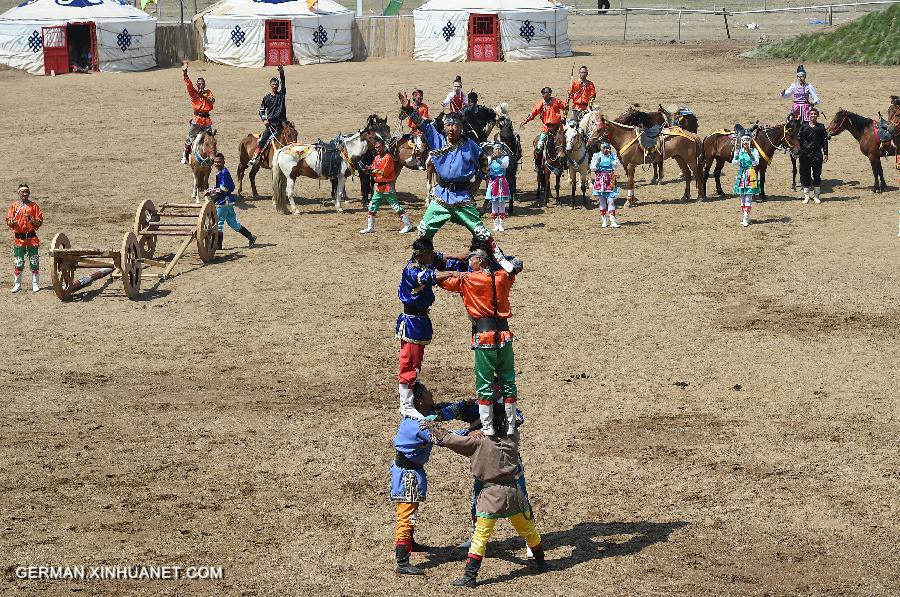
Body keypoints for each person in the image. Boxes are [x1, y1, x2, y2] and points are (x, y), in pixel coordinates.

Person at [422, 406, 546, 588]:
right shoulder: (512, 439)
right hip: (514, 494)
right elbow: (514, 419)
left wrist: (431, 426)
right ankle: (542, 563)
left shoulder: (477, 443)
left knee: (480, 537)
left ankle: (470, 577)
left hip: (490, 497)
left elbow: (448, 438)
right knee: (528, 530)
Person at [398, 91, 515, 273]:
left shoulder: (470, 145)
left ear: (461, 128)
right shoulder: (436, 139)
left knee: (481, 232)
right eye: (448, 125)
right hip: (440, 197)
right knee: (423, 231)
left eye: (455, 126)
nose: (451, 129)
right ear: (444, 127)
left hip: (462, 198)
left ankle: (500, 259)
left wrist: (478, 181)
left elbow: (483, 161)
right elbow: (422, 123)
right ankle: (419, 263)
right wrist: (408, 108)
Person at [391, 382, 479, 575]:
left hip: (409, 470)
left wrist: (464, 404)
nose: (433, 397)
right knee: (407, 514)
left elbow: (444, 412)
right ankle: (402, 560)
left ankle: (410, 543)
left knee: (411, 510)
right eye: (430, 394)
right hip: (408, 474)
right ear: (421, 401)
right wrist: (470, 434)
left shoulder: (420, 415)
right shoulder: (419, 424)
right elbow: (444, 437)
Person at [438, 248, 523, 435]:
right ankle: (510, 424)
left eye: (472, 259)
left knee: (484, 382)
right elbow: (517, 264)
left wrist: (449, 263)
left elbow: (441, 280)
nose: (469, 262)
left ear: (482, 261)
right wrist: (498, 256)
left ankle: (487, 427)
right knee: (508, 380)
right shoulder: (502, 277)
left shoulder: (468, 279)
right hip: (504, 336)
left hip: (484, 337)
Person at [395, 238, 467, 419]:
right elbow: (429, 277)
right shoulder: (412, 271)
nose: (433, 256)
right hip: (412, 321)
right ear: (420, 255)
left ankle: (411, 399)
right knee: (409, 362)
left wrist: (456, 255)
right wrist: (452, 273)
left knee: (416, 362)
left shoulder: (422, 259)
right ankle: (405, 404)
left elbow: (438, 256)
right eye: (429, 254)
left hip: (420, 319)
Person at [359, 138, 414, 234]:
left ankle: (408, 225)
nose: (377, 149)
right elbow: (374, 172)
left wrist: (371, 170)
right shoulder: (377, 158)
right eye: (376, 148)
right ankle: (370, 227)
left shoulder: (388, 158)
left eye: (379, 147)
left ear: (383, 147)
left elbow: (383, 173)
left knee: (396, 206)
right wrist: (368, 170)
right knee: (372, 207)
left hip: (387, 187)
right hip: (379, 188)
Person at [204, 153, 257, 249]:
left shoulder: (224, 172)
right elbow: (220, 187)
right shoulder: (222, 172)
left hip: (223, 203)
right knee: (233, 223)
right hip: (228, 202)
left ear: (223, 162)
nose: (216, 164)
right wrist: (212, 190)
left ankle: (218, 245)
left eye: (219, 162)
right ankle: (250, 236)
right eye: (215, 162)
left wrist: (211, 191)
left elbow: (224, 188)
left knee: (219, 223)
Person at [6, 184, 43, 293]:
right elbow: (8, 220)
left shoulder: (34, 206)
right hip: (19, 239)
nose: (25, 194)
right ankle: (17, 284)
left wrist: (33, 221)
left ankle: (35, 284)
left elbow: (39, 221)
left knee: (34, 261)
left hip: (31, 238)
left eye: (27, 191)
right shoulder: (14, 206)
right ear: (19, 193)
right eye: (22, 192)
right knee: (18, 262)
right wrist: (11, 222)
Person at [249, 66, 287, 166]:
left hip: (282, 124)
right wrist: (264, 119)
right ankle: (255, 157)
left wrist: (282, 73)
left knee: (291, 136)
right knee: (262, 140)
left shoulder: (281, 95)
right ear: (270, 85)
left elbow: (283, 83)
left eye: (276, 84)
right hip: (271, 125)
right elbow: (261, 110)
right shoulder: (266, 98)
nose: (275, 86)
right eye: (273, 84)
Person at [181, 61, 215, 165]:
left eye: (202, 84)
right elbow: (188, 83)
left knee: (210, 138)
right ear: (197, 85)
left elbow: (212, 101)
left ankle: (211, 156)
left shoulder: (208, 92)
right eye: (199, 84)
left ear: (204, 85)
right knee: (190, 137)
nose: (201, 85)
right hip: (197, 119)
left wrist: (204, 95)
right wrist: (185, 72)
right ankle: (184, 156)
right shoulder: (193, 93)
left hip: (207, 120)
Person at [796, 107, 829, 204]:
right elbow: (798, 140)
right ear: (808, 115)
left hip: (817, 154)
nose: (813, 115)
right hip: (805, 155)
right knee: (805, 175)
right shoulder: (803, 126)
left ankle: (816, 196)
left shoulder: (821, 127)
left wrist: (826, 153)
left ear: (817, 116)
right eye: (811, 114)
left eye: (815, 114)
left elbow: (825, 141)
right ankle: (806, 196)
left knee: (817, 175)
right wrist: (798, 151)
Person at [521, 87, 568, 153]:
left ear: (549, 94)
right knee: (539, 146)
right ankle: (538, 162)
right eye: (542, 93)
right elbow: (534, 112)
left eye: (544, 93)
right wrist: (526, 120)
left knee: (566, 142)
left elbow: (565, 107)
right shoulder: (541, 103)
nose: (542, 95)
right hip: (547, 128)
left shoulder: (556, 101)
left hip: (558, 128)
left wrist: (564, 116)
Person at [732, 135, 760, 227]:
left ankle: (745, 218)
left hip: (750, 173)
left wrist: (750, 154)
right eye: (744, 140)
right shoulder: (739, 151)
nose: (745, 142)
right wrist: (736, 154)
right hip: (741, 174)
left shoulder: (754, 151)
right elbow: (734, 163)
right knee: (742, 197)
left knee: (748, 196)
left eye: (747, 140)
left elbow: (756, 162)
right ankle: (745, 216)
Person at [591, 142, 621, 228]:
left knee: (611, 200)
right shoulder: (596, 155)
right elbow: (592, 168)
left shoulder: (612, 155)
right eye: (603, 148)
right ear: (600, 148)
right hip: (600, 178)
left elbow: (617, 166)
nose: (605, 149)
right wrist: (597, 162)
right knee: (602, 201)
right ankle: (604, 220)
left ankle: (613, 221)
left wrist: (613, 160)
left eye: (607, 148)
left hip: (610, 178)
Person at [485, 144, 510, 232]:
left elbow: (505, 165)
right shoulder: (489, 158)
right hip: (493, 182)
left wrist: (498, 160)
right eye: (495, 149)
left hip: (501, 182)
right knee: (494, 203)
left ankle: (501, 224)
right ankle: (495, 224)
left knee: (502, 204)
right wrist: (491, 159)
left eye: (499, 149)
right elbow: (485, 166)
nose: (497, 151)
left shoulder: (505, 158)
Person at [405, 89, 430, 156]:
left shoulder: (424, 106)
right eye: (419, 97)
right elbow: (401, 117)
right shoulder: (410, 106)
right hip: (414, 131)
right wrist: (404, 107)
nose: (421, 98)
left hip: (421, 130)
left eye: (422, 96)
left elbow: (424, 118)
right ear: (414, 97)